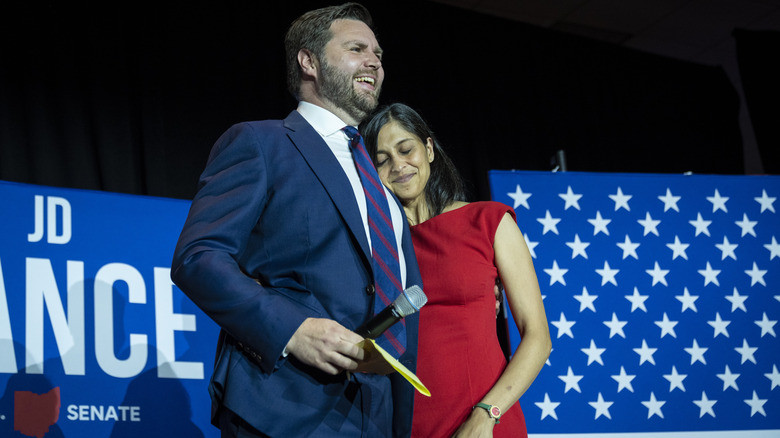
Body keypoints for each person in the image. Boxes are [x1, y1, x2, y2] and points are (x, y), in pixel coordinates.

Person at [170, 4, 423, 437]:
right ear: (309, 62)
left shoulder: (380, 180)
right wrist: (294, 330)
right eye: (357, 48)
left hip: (377, 415)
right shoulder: (260, 143)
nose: (374, 62)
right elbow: (199, 257)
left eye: (378, 54)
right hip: (285, 407)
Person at [361, 103, 552, 438]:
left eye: (406, 150)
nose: (398, 165)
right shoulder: (376, 248)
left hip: (485, 421)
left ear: (430, 149)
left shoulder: (488, 221)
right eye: (382, 160)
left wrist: (487, 414)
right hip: (405, 424)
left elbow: (538, 337)